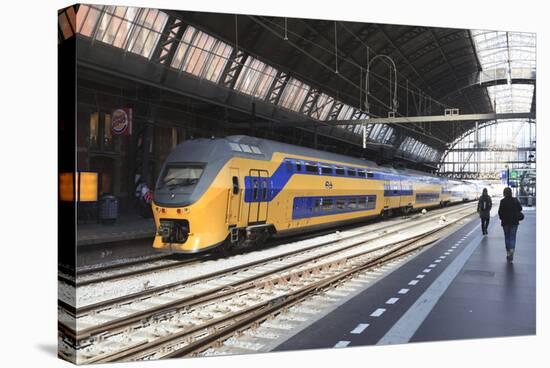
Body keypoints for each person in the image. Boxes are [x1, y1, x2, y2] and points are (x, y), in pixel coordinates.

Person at [498, 187, 523, 263]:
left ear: (504, 193)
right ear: (511, 192)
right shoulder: (515, 200)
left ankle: (508, 253)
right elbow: (520, 208)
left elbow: (500, 212)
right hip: (514, 222)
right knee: (512, 237)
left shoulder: (502, 201)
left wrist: (502, 217)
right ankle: (512, 250)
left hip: (505, 222)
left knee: (507, 237)